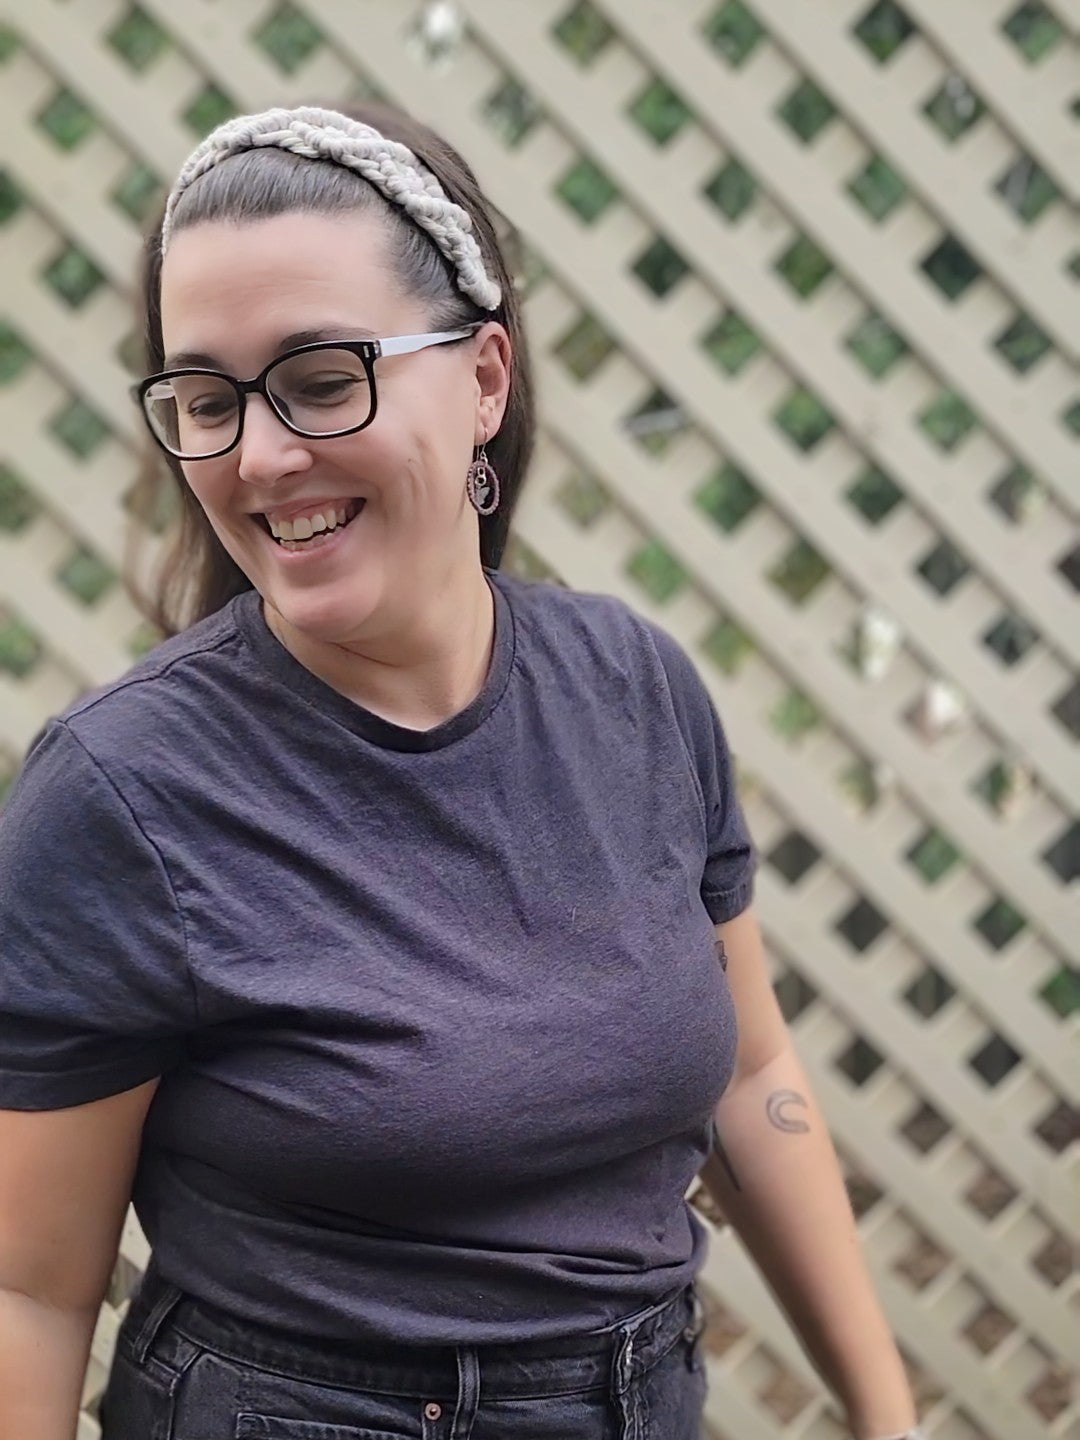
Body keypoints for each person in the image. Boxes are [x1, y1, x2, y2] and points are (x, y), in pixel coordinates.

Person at [0, 102, 922, 1440]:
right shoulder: (122, 795)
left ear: (485, 378)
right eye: (207, 400)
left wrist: (888, 1418)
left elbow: (750, 1076)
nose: (259, 457)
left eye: (322, 379)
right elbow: (29, 1290)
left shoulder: (637, 694)